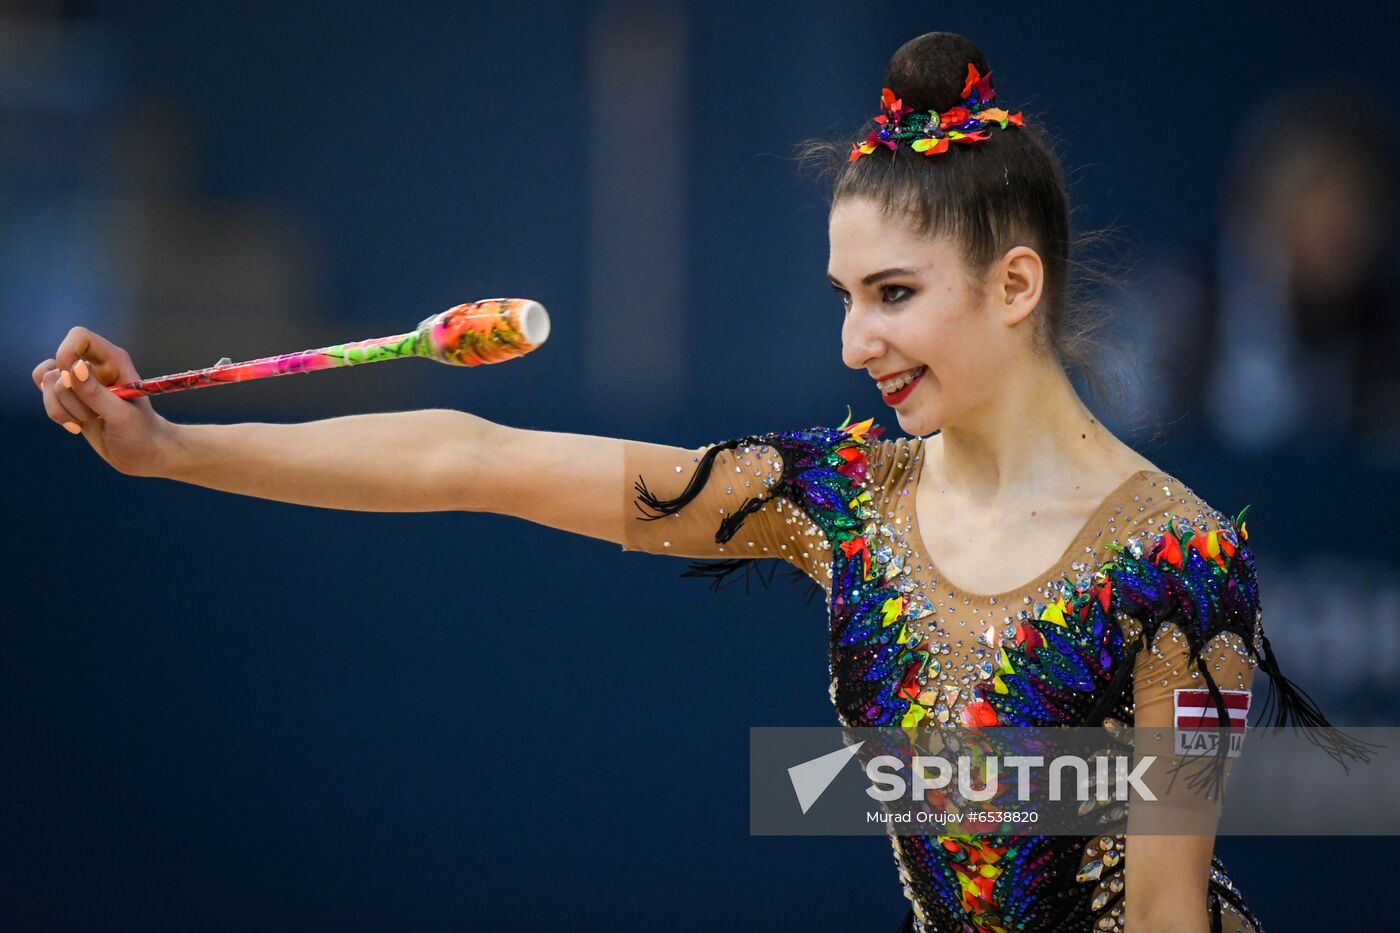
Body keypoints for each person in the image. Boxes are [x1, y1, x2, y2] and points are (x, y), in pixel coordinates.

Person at [34, 31, 1356, 933]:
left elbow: (1170, 913)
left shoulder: (1175, 564)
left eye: (894, 295)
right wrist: (177, 446)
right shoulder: (843, 501)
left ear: (1016, 285)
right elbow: (473, 457)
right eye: (846, 297)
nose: (856, 342)